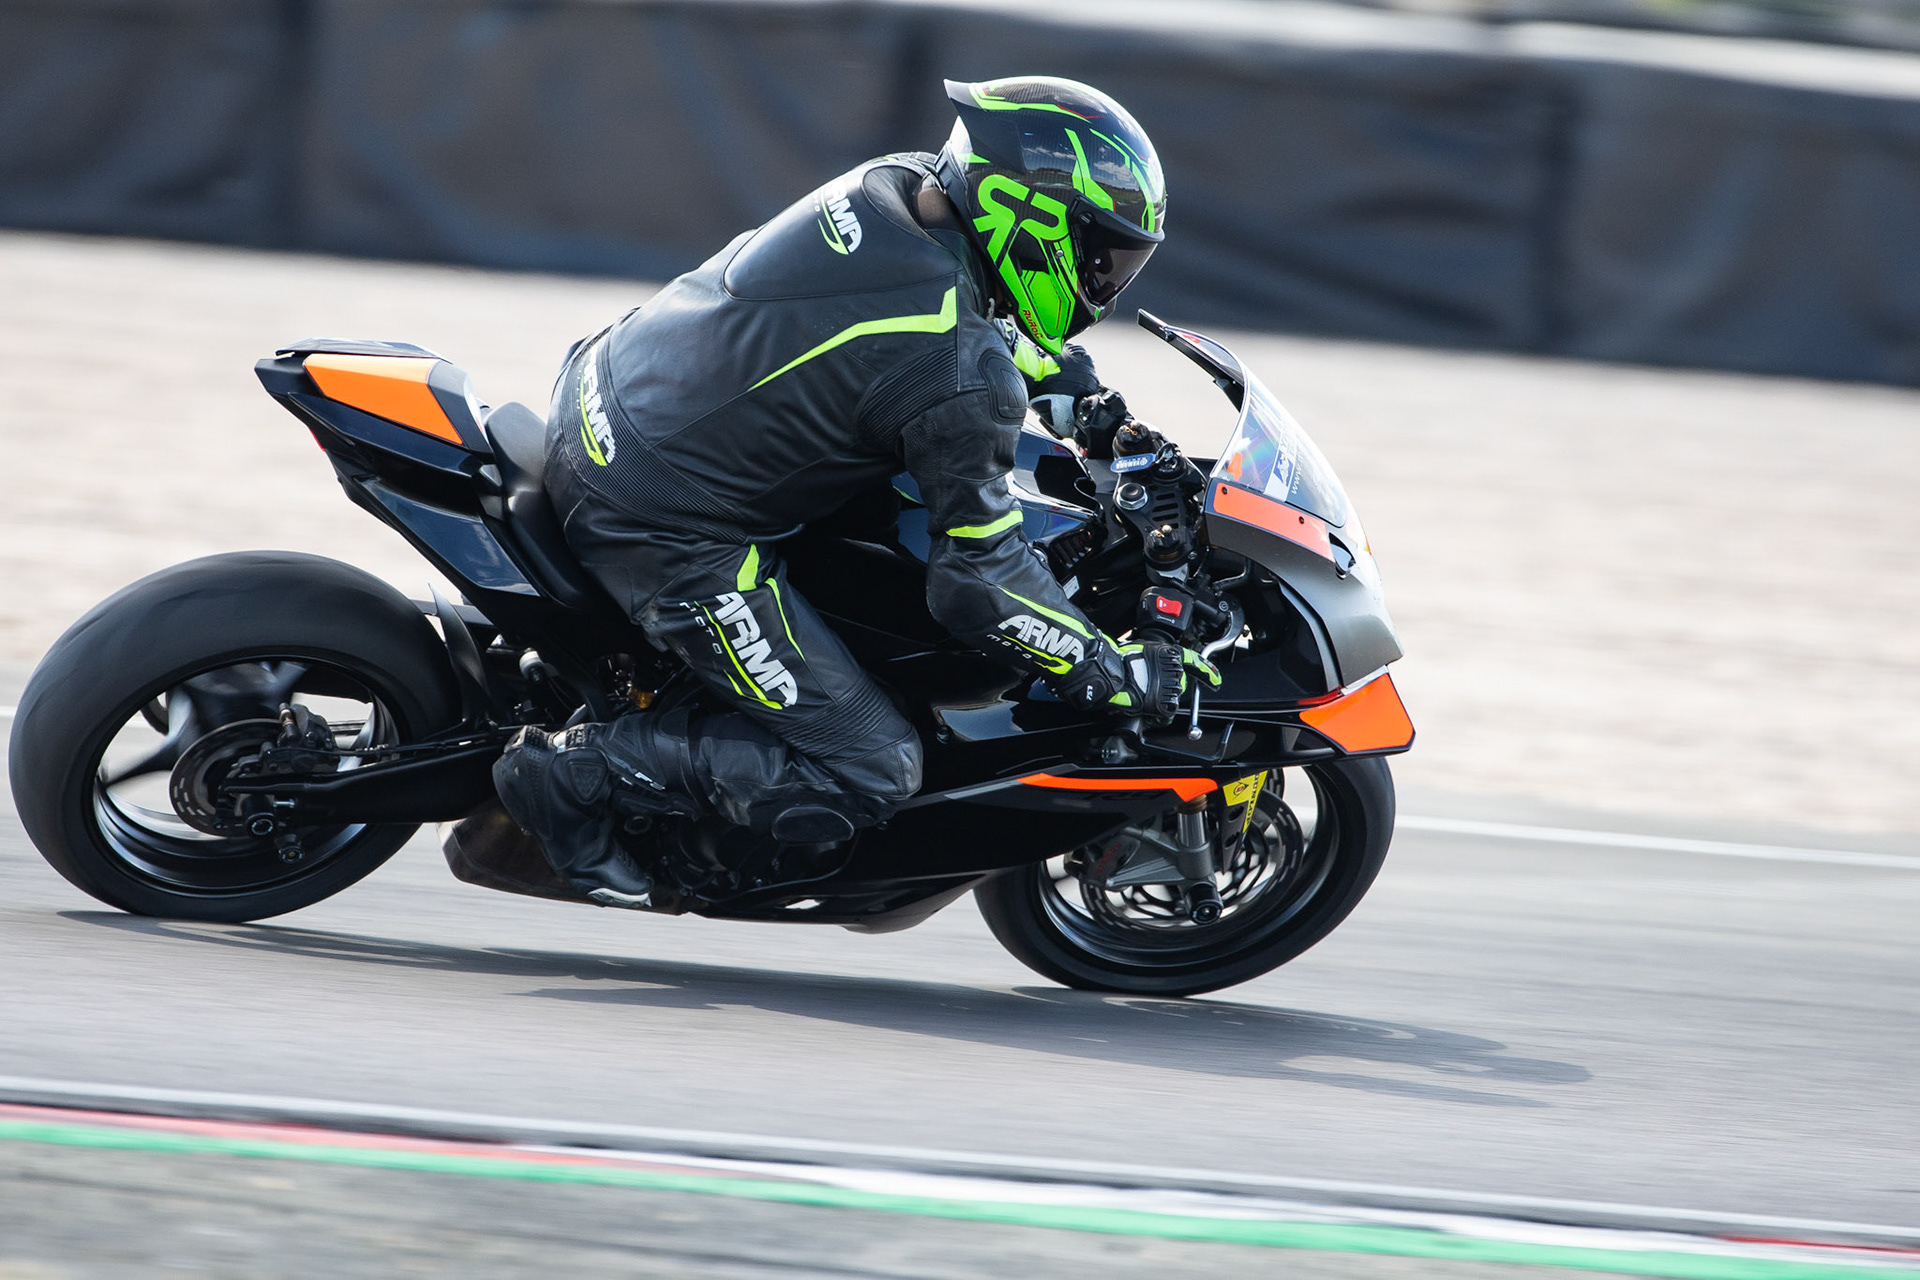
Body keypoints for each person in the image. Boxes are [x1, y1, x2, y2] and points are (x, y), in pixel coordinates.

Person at [493, 76, 1219, 908]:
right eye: (1103, 257)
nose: (1106, 283)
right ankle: (575, 773)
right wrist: (1108, 671)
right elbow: (977, 585)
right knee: (872, 763)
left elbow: (952, 323)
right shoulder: (962, 374)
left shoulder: (897, 188)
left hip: (609, 389)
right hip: (660, 519)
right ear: (1033, 218)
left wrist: (1091, 408)